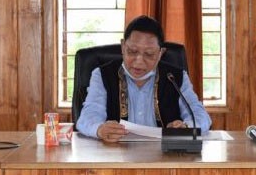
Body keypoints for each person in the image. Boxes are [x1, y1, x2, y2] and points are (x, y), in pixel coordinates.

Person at [76, 15, 211, 142]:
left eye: (149, 54)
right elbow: (88, 116)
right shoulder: (102, 75)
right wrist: (99, 129)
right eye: (132, 52)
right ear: (123, 46)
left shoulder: (175, 77)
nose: (139, 61)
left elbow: (200, 116)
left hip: (165, 158)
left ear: (160, 53)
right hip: (116, 156)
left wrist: (186, 127)